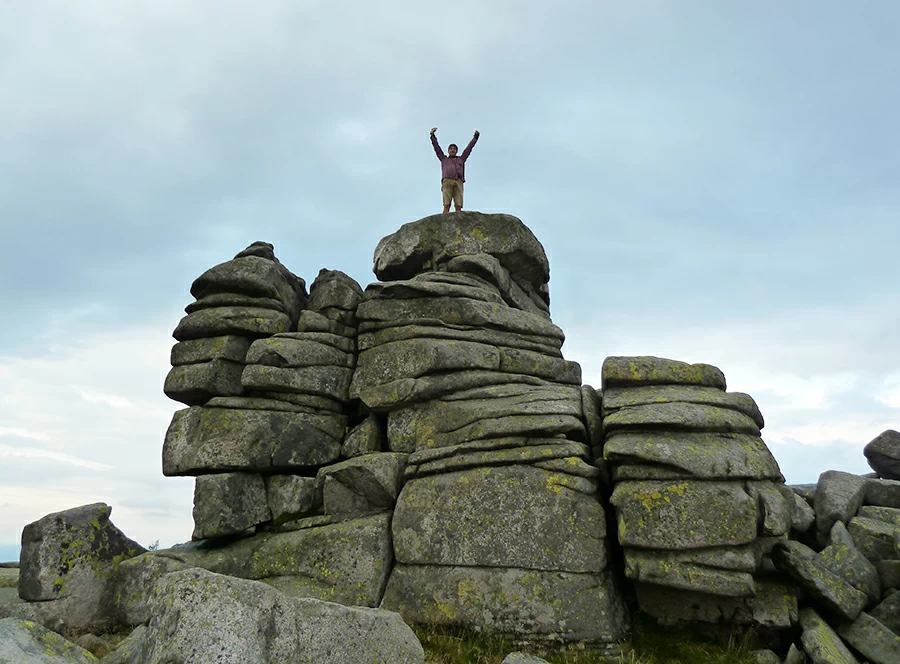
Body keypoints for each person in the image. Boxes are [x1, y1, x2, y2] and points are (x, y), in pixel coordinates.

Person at [430, 127, 479, 213]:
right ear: (448, 150)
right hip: (447, 180)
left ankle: (458, 217)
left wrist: (475, 138)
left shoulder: (461, 159)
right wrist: (433, 136)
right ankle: (445, 214)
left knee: (458, 202)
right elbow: (437, 148)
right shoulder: (444, 159)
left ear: (456, 151)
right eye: (451, 148)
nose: (453, 150)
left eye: (454, 149)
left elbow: (469, 149)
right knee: (446, 203)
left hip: (458, 181)